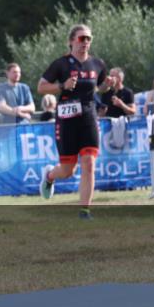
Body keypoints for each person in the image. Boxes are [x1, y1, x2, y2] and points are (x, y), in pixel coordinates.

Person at [37, 24, 108, 220]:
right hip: (67, 120)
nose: (85, 42)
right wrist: (62, 85)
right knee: (68, 170)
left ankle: (85, 211)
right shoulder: (61, 64)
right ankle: (50, 175)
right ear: (71, 41)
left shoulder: (97, 64)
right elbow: (41, 87)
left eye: (88, 39)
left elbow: (99, 86)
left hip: (88, 117)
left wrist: (106, 86)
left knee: (89, 163)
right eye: (81, 38)